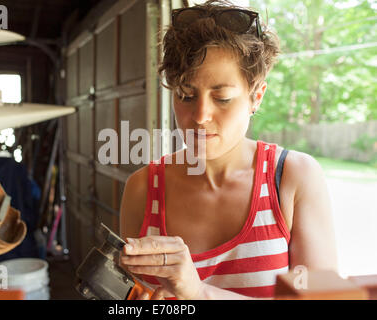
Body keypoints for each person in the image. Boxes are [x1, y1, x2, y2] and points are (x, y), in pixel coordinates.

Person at [119, 0, 338, 300]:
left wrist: (199, 293)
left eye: (221, 98)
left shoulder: (293, 178)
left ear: (256, 96)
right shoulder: (143, 189)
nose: (199, 115)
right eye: (185, 95)